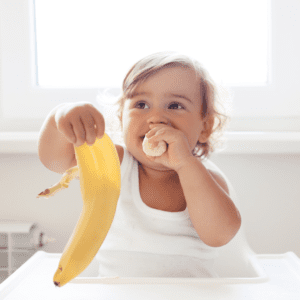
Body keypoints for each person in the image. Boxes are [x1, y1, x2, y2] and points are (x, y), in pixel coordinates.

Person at [38, 51, 241, 278]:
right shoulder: (114, 164)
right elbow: (55, 160)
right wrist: (61, 116)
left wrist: (185, 164)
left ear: (205, 127)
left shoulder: (206, 178)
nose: (155, 117)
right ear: (121, 118)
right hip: (118, 293)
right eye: (141, 104)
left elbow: (220, 235)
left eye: (174, 105)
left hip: (189, 294)